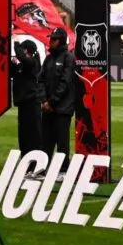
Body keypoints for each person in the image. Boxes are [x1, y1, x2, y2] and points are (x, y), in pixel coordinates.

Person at [41, 27, 77, 163]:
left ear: (61, 40)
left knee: (62, 143)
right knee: (45, 142)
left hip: (63, 108)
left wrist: (51, 102)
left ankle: (63, 168)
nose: (51, 41)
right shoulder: (48, 58)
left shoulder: (69, 58)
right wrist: (44, 100)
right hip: (47, 107)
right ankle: (42, 168)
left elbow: (65, 82)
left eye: (54, 39)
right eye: (51, 38)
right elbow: (40, 80)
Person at [11, 40, 43, 157]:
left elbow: (24, 59)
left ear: (26, 50)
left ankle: (35, 160)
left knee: (33, 134)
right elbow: (12, 72)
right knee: (23, 134)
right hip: (23, 103)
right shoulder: (23, 65)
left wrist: (16, 45)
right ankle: (25, 157)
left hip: (32, 103)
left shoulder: (33, 62)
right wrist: (13, 64)